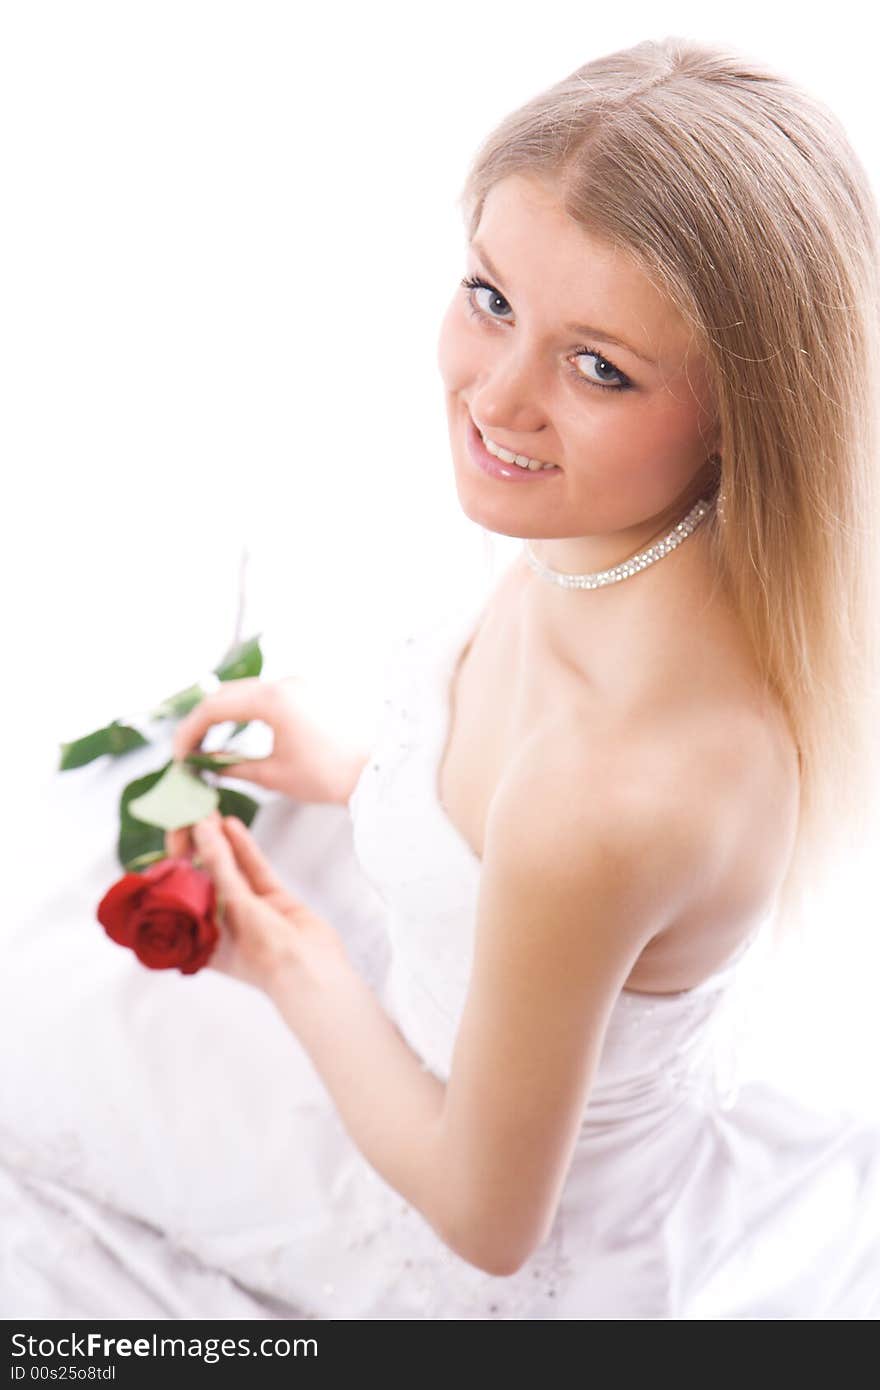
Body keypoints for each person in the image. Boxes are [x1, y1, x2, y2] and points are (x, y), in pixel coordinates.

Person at [3, 35, 880, 1320]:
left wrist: (283, 952)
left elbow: (485, 1221)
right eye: (490, 297)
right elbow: (532, 861)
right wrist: (370, 769)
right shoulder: (619, 537)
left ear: (745, 413)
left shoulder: (609, 788)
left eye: (599, 367)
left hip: (463, 1208)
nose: (497, 398)